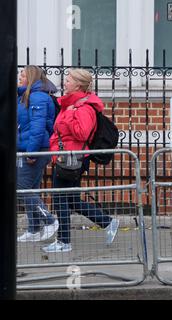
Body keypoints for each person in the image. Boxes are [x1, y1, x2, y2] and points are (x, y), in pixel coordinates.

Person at [42, 68, 119, 253]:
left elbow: (82, 133)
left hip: (73, 159)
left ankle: (64, 242)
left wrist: (68, 115)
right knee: (72, 200)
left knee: (60, 199)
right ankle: (107, 222)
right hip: (66, 157)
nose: (64, 82)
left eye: (68, 80)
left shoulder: (83, 108)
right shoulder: (71, 104)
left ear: (78, 84)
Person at [17, 66, 59, 242]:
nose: (19, 77)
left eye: (23, 75)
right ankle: (34, 229)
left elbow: (38, 128)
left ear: (31, 77)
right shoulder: (24, 96)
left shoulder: (38, 97)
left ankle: (49, 220)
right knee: (30, 189)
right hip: (26, 149)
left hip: (35, 150)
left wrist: (31, 152)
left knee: (22, 188)